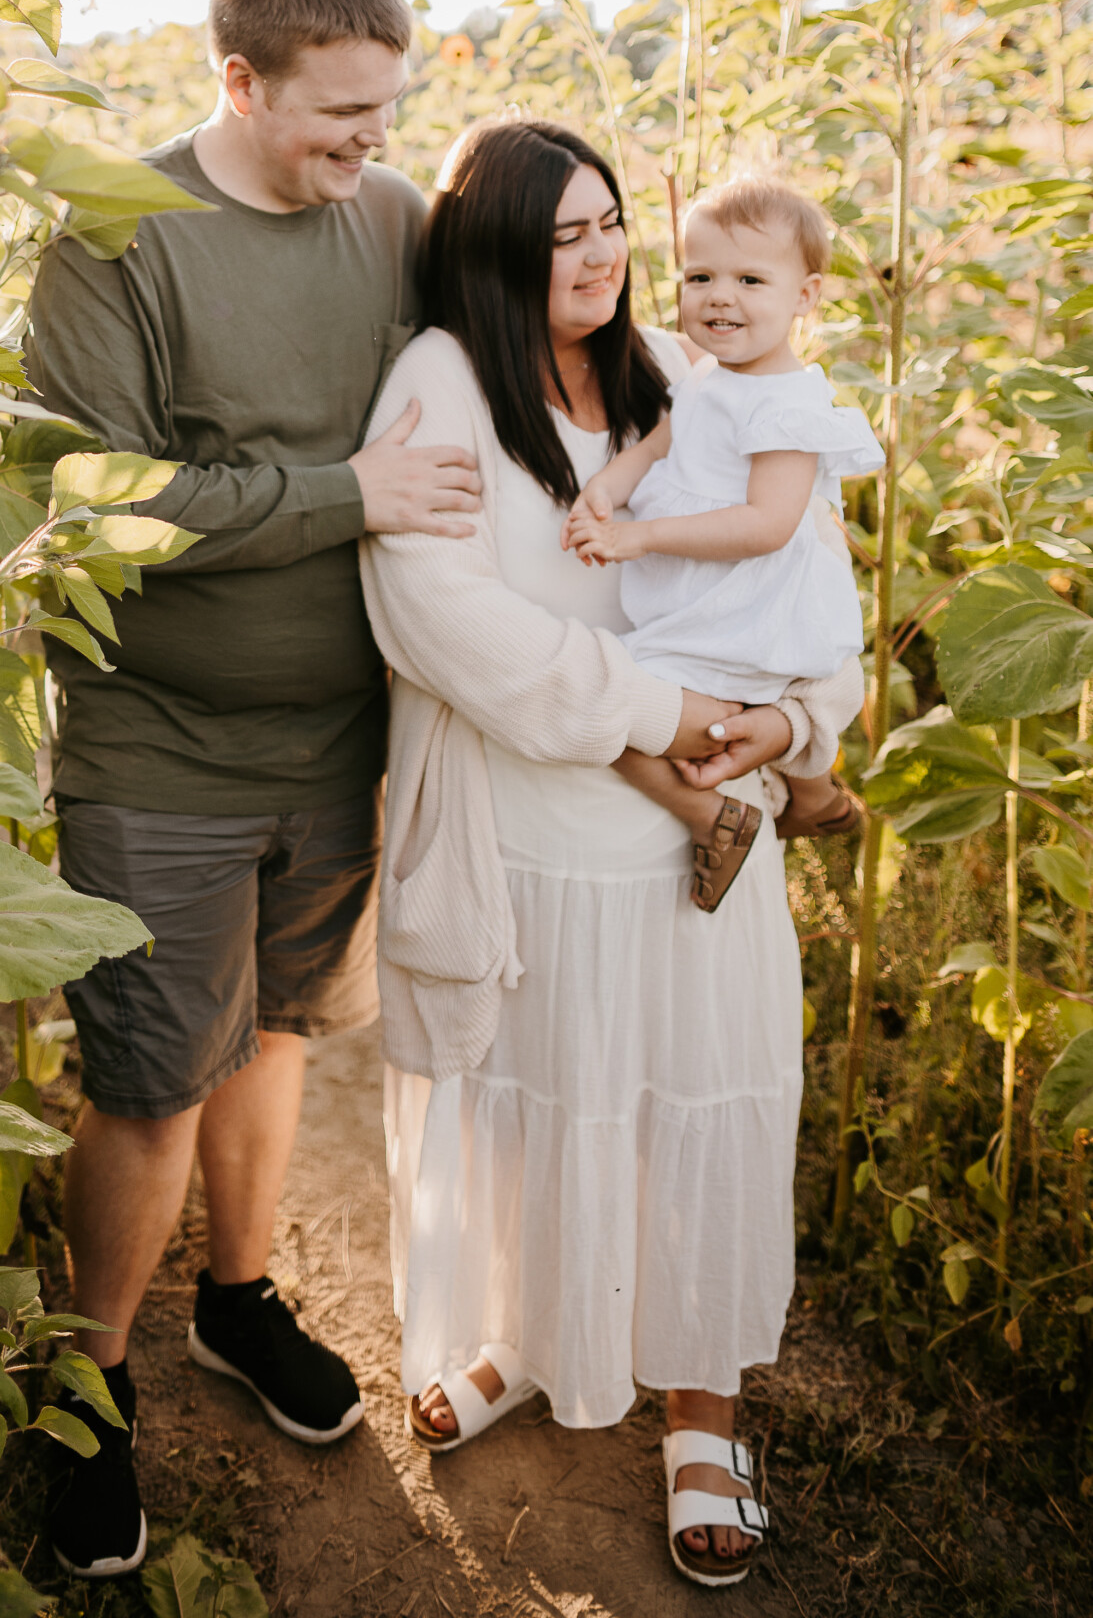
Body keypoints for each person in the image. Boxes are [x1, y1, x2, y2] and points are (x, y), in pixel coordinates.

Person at [22, 0, 485, 1580]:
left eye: (389, 111)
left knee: (280, 1031)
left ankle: (234, 1298)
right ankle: (86, 1388)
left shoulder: (393, 222)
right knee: (151, 1074)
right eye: (340, 116)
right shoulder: (120, 234)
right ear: (238, 80)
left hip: (338, 736)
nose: (373, 147)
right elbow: (102, 504)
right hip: (158, 741)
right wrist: (343, 495)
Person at [358, 120, 865, 1589]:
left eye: (610, 225)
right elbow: (443, 621)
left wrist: (789, 724)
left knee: (693, 1105)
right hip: (529, 825)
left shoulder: (686, 383)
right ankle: (530, 1338)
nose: (597, 259)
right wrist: (669, 708)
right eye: (562, 233)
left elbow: (799, 566)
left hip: (696, 835)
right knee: (539, 1105)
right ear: (493, 241)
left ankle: (702, 1413)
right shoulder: (444, 382)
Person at [562, 177, 882, 910]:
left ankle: (715, 815)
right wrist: (603, 492)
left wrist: (637, 536)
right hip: (705, 599)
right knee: (651, 702)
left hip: (747, 602)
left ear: (804, 296)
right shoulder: (707, 375)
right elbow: (655, 450)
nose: (718, 297)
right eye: (699, 277)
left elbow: (766, 526)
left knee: (607, 707)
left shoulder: (787, 407)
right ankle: (812, 794)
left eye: (748, 280)